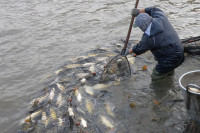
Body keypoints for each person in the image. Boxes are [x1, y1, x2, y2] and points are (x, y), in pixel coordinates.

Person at [124, 7, 184, 83]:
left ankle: (161, 92)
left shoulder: (149, 38)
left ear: (142, 27)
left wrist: (128, 51)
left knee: (156, 76)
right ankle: (169, 82)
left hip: (170, 58)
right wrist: (139, 11)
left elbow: (140, 48)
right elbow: (154, 9)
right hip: (179, 50)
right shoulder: (161, 17)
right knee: (169, 70)